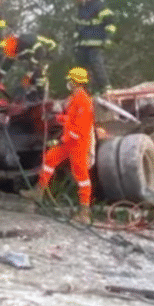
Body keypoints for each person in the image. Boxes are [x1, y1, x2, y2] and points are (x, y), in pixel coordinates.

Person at [21, 67, 95, 224]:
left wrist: (63, 139)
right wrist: (57, 118)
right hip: (70, 142)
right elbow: (71, 119)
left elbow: (80, 128)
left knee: (81, 177)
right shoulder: (75, 98)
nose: (68, 83)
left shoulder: (83, 100)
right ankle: (38, 192)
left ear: (75, 82)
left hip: (78, 144)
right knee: (49, 159)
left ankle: (84, 213)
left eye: (70, 80)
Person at [73, 0, 115, 94]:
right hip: (82, 43)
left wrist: (108, 38)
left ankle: (105, 87)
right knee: (80, 67)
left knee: (96, 63)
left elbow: (110, 23)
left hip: (96, 41)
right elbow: (78, 26)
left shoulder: (99, 6)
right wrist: (76, 41)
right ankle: (84, 91)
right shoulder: (81, 8)